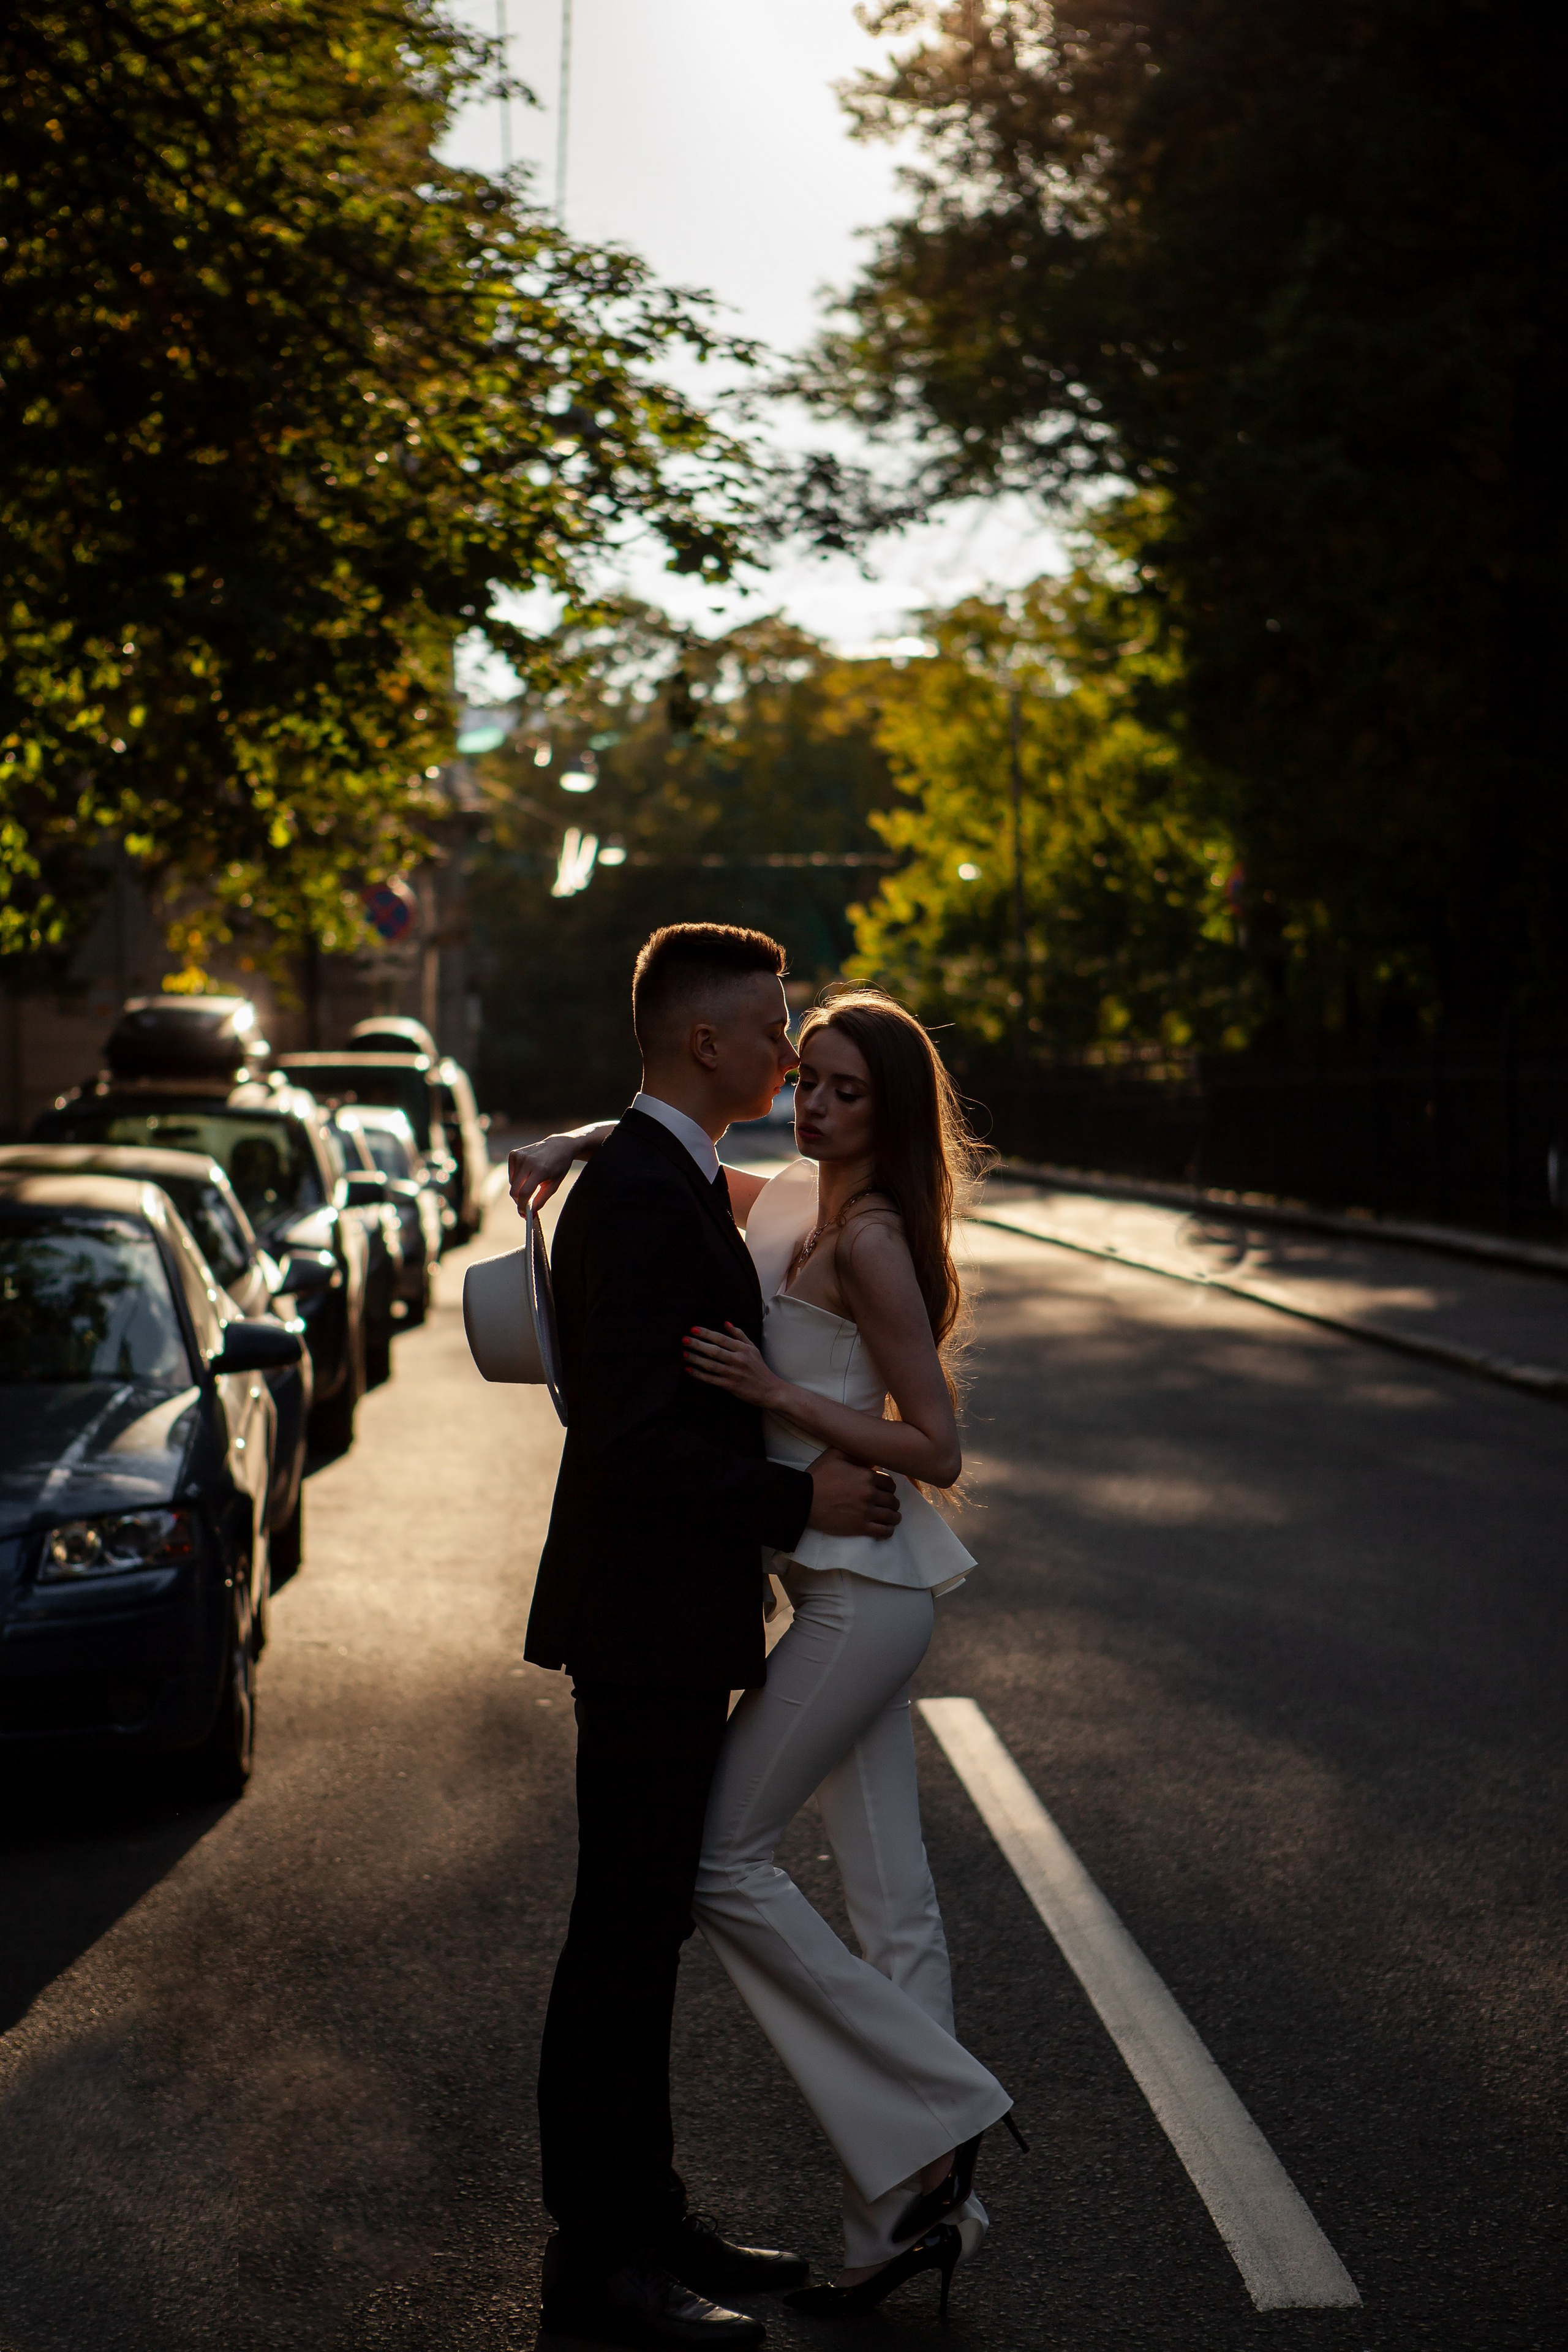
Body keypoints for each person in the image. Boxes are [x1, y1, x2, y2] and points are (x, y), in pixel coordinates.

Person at [516, 983, 1019, 2325]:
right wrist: (578, 1143)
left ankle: (937, 2110)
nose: (814, 1102)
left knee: (718, 1859)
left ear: (891, 1113)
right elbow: (678, 1174)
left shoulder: (864, 1235)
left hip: (862, 1589)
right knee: (889, 1894)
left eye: (847, 1090)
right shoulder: (788, 1192)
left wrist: (779, 1399)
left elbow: (937, 1444)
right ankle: (894, 2220)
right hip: (826, 1581)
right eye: (809, 1078)